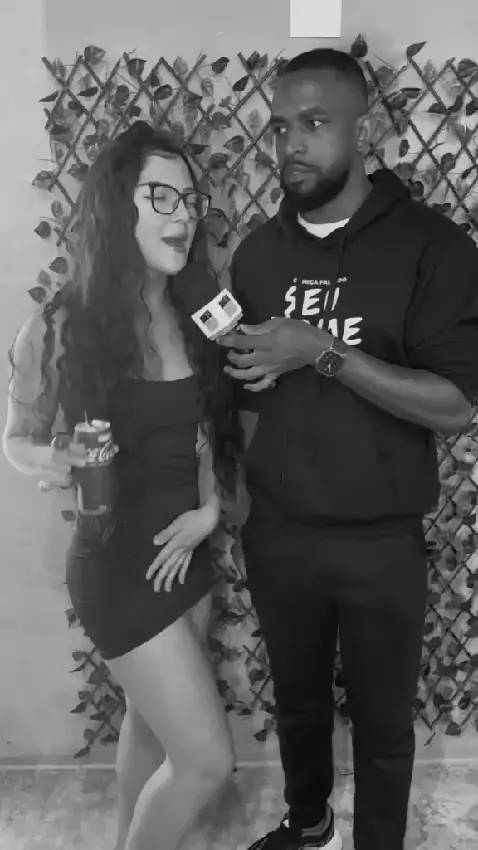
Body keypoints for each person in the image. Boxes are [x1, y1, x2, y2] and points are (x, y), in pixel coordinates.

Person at [218, 48, 478, 850]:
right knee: (296, 704)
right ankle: (308, 824)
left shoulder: (433, 248)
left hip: (380, 541)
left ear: (366, 132)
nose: (291, 143)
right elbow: (246, 394)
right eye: (280, 126)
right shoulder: (258, 255)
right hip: (280, 534)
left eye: (314, 123)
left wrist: (323, 351)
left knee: (383, 723)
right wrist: (241, 500)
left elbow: (456, 406)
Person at [3, 122, 238, 850]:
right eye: (160, 195)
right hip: (117, 565)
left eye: (190, 199)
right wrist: (53, 459)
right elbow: (17, 439)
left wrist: (211, 509)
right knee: (207, 763)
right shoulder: (62, 325)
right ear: (116, 205)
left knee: (150, 728)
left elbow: (215, 431)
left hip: (185, 556)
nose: (182, 213)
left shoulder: (200, 315)